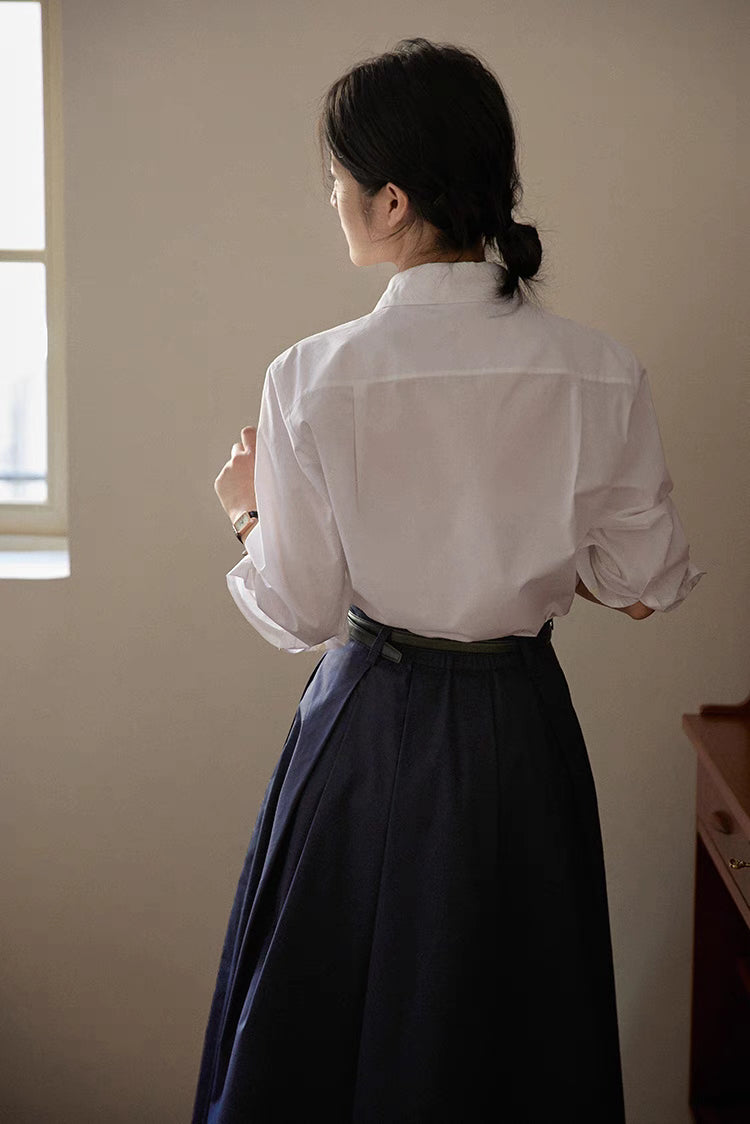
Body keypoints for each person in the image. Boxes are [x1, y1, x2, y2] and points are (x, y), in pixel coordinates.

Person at [191, 37, 705, 1124]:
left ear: (390, 200)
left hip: (368, 729)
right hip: (523, 725)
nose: (329, 199)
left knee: (322, 1042)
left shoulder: (312, 377)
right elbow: (642, 583)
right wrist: (528, 537)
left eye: (336, 179)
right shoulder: (600, 370)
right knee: (518, 1035)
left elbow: (301, 609)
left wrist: (245, 506)